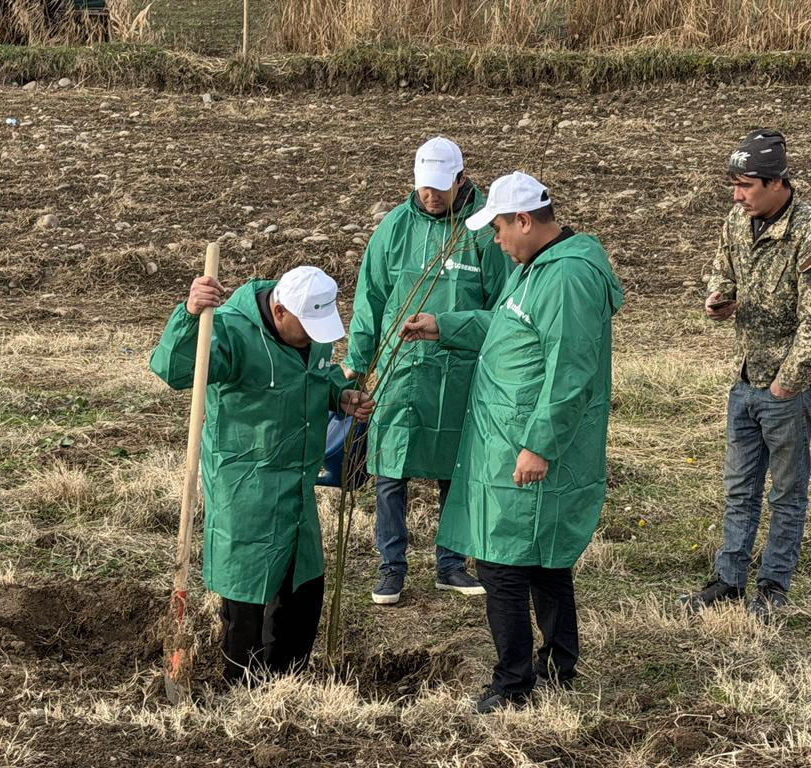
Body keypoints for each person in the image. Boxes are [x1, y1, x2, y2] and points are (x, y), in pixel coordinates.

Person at [402, 171, 622, 713]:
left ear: (524, 220)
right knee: (542, 558)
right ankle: (559, 663)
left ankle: (512, 684)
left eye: (499, 228)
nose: (495, 240)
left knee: (501, 563)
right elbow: (508, 328)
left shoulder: (567, 278)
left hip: (525, 441)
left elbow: (571, 370)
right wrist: (442, 326)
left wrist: (539, 445)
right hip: (506, 436)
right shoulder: (535, 268)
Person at [150, 266, 373, 682]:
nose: (312, 338)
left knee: (303, 585)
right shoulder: (231, 330)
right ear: (279, 310)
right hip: (246, 482)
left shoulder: (311, 332)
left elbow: (316, 378)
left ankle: (287, 679)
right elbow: (174, 370)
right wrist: (189, 314)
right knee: (247, 589)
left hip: (298, 480)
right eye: (306, 330)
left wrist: (338, 395)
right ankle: (242, 683)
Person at [343, 136, 512, 606]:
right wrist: (358, 365)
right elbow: (370, 300)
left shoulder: (484, 233)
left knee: (455, 467)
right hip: (400, 369)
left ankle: (451, 563)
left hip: (460, 371)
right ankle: (391, 565)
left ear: (461, 179)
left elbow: (502, 306)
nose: (430, 195)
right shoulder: (394, 228)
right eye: (423, 186)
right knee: (389, 467)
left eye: (439, 186)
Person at [682, 129, 811, 621]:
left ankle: (773, 586)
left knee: (787, 494)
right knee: (739, 489)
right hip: (745, 379)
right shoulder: (738, 221)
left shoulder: (806, 233)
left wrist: (786, 383)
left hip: (789, 388)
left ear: (777, 182)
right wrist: (717, 299)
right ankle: (729, 579)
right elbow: (723, 270)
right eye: (734, 185)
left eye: (745, 185)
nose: (737, 196)